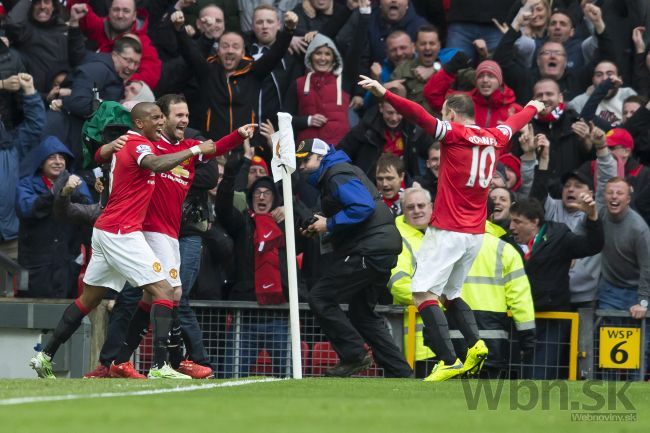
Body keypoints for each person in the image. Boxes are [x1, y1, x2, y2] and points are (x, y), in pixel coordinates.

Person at [358, 74, 544, 381]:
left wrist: (384, 95)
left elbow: (418, 115)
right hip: (474, 233)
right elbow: (516, 120)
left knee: (421, 292)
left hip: (447, 230)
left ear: (452, 114)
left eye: (444, 114)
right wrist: (534, 107)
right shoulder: (495, 136)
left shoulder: (454, 133)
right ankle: (476, 344)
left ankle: (448, 360)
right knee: (450, 292)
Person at [28, 102, 218, 379]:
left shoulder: (127, 142)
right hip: (122, 231)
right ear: (139, 123)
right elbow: (153, 163)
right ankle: (160, 367)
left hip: (106, 230)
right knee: (164, 291)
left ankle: (44, 356)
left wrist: (106, 148)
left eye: (161, 118)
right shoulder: (139, 144)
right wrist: (195, 149)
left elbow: (100, 153)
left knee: (89, 299)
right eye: (155, 118)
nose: (161, 123)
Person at [85, 95, 255, 379]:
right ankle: (167, 363)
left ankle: (122, 361)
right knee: (170, 293)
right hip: (144, 230)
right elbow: (117, 156)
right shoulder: (150, 148)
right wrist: (103, 155)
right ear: (161, 118)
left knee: (156, 296)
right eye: (178, 115)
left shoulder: (189, 147)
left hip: (171, 232)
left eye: (187, 115)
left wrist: (238, 135)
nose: (185, 120)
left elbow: (215, 148)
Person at [298, 138, 412, 378]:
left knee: (320, 297)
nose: (301, 166)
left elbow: (361, 207)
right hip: (382, 248)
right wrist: (320, 224)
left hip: (368, 249)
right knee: (362, 314)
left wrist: (328, 224)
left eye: (305, 160)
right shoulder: (340, 171)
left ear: (320, 157)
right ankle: (401, 372)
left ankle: (354, 355)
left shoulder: (336, 173)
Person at [389, 187, 436, 378]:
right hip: (416, 344)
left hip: (444, 337)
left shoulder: (440, 234)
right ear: (403, 210)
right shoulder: (397, 238)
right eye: (410, 207)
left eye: (421, 205)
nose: (417, 210)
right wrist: (435, 301)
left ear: (431, 207)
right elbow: (398, 285)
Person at [65, 0, 162, 89]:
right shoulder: (100, 26)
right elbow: (77, 8)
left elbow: (151, 76)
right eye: (116, 9)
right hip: (79, 82)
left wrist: (116, 81)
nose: (120, 15)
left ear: (134, 15)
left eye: (126, 11)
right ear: (109, 12)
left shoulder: (142, 42)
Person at [0, 73, 44, 261]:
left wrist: (30, 92)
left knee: (8, 290)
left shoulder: (11, 149)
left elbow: (35, 126)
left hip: (9, 238)